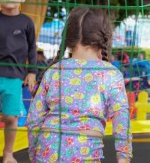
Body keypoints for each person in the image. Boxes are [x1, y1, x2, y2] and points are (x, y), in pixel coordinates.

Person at [26, 8, 132, 163]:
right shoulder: (110, 74)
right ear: (103, 38)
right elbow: (122, 119)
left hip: (48, 148)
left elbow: (34, 118)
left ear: (68, 38)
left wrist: (34, 153)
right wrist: (123, 157)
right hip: (85, 152)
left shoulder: (55, 71)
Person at [0, 0, 37, 163]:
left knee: (10, 117)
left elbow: (32, 48)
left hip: (14, 77)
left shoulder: (26, 23)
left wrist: (32, 72)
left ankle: (8, 153)